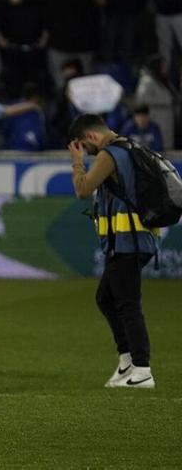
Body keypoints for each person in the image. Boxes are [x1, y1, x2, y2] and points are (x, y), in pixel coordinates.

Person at [67, 114, 158, 389]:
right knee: (106, 297)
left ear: (92, 136)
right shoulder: (129, 147)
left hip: (127, 240)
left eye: (85, 145)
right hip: (130, 239)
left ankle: (142, 370)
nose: (86, 150)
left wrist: (77, 163)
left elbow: (83, 190)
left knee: (127, 304)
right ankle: (127, 361)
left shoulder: (109, 155)